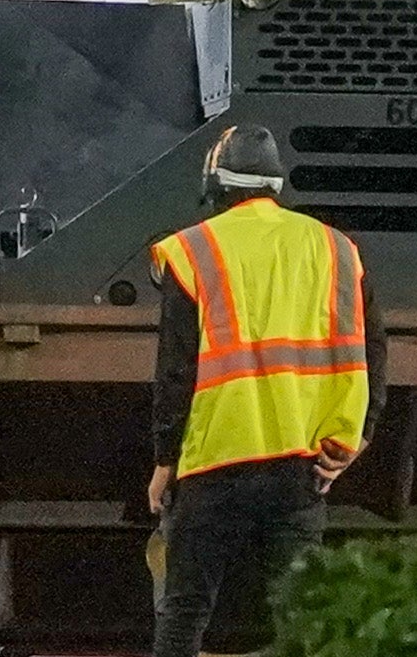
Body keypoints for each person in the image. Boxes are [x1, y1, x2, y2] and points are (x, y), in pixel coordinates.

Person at [145, 127, 383, 657]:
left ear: (217, 187)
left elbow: (176, 369)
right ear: (274, 185)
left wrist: (165, 459)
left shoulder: (195, 250)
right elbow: (373, 353)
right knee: (300, 616)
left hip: (214, 461)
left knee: (185, 610)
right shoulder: (335, 249)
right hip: (302, 465)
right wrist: (358, 438)